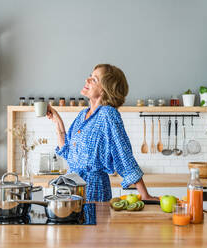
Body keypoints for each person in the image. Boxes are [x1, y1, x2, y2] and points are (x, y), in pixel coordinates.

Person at [47, 64, 158, 202]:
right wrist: (57, 121)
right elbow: (69, 154)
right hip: (72, 188)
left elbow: (123, 154)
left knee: (91, 223)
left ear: (105, 90)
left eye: (94, 80)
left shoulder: (108, 114)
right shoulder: (83, 114)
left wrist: (144, 195)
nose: (87, 80)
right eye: (90, 76)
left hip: (93, 189)